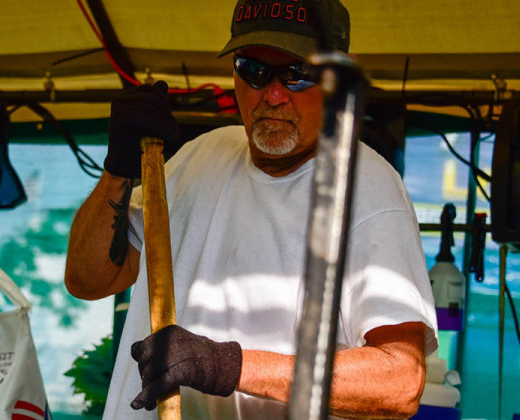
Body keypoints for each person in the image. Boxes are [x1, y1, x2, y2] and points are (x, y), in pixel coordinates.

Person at [65, 0, 438, 418]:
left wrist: (227, 366)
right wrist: (116, 171)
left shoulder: (367, 190)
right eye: (255, 71)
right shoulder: (198, 156)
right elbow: (88, 280)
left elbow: (400, 381)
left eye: (299, 74)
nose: (273, 95)